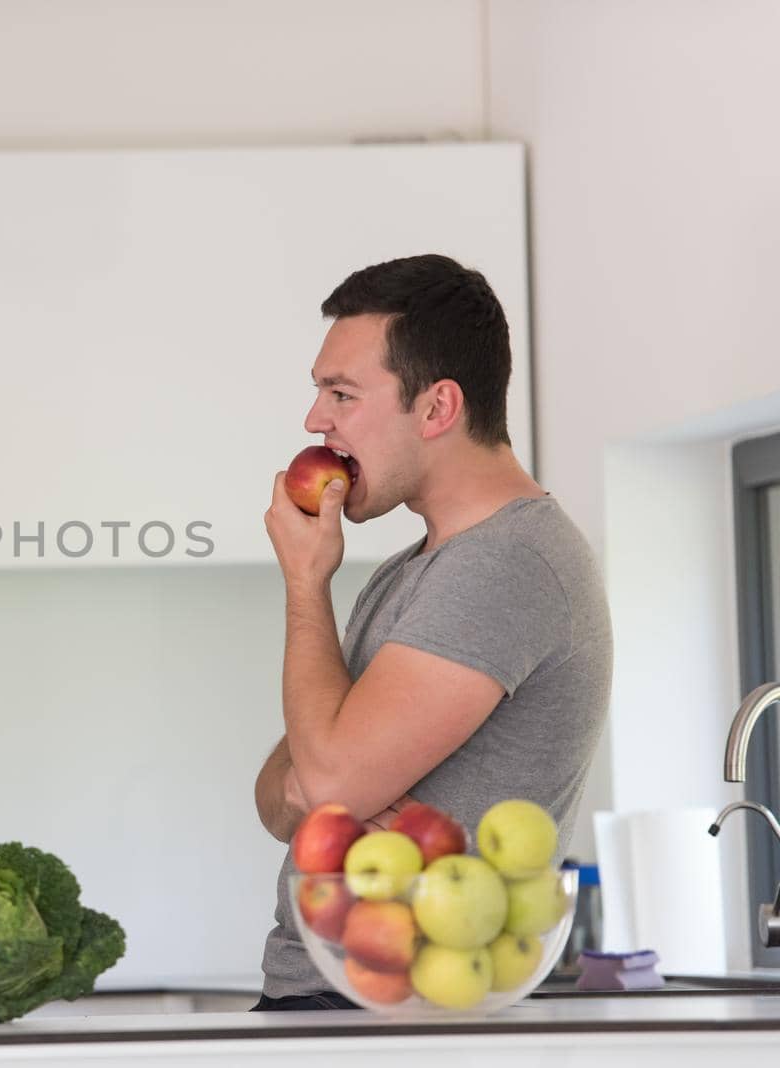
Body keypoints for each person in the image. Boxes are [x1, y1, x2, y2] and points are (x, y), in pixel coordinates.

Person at [251, 255, 612, 1010]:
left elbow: (323, 783)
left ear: (438, 408)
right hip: (338, 1004)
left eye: (341, 393)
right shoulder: (411, 570)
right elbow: (277, 799)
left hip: (402, 1015)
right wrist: (324, 781)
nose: (316, 420)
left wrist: (305, 584)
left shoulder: (508, 564)